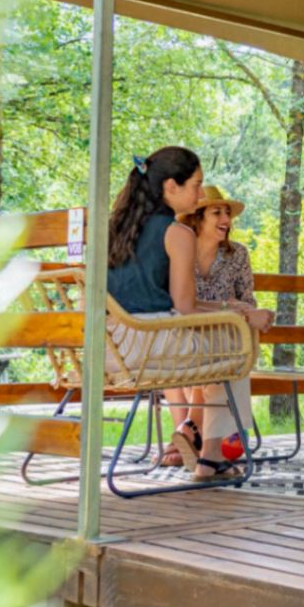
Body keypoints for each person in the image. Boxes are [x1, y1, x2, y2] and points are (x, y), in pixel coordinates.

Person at [106, 147, 254, 482]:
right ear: (171, 186)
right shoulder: (178, 233)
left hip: (110, 347)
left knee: (227, 334)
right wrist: (240, 315)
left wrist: (235, 309)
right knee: (237, 344)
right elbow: (185, 307)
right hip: (149, 345)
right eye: (196, 185)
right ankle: (211, 457)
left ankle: (192, 429)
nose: (200, 194)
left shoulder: (115, 229)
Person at [160, 186, 274, 468]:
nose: (226, 219)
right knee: (198, 346)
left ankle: (188, 431)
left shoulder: (238, 254)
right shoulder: (177, 250)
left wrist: (245, 311)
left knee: (220, 346)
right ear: (197, 218)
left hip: (225, 336)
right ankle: (194, 433)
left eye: (227, 213)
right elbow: (174, 303)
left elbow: (247, 300)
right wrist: (229, 307)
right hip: (188, 337)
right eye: (217, 212)